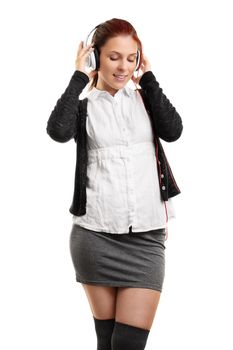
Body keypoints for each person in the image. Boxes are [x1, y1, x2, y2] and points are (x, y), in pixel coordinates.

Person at [46, 18, 183, 350]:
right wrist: (80, 75)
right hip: (95, 237)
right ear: (96, 57)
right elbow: (57, 130)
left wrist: (148, 79)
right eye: (114, 57)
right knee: (107, 342)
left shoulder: (147, 100)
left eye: (131, 57)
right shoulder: (84, 107)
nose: (124, 66)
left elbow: (173, 130)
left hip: (147, 240)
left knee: (128, 345)